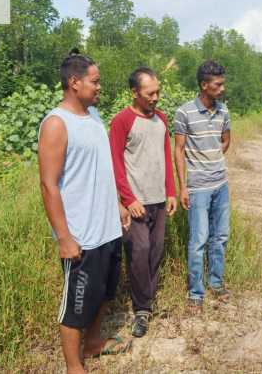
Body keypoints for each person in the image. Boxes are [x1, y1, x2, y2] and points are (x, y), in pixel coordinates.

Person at [38, 51, 132, 374]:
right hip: (81, 235)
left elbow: (101, 169)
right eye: (95, 81)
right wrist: (64, 237)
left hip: (107, 228)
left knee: (105, 293)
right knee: (76, 306)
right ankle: (73, 366)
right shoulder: (56, 124)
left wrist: (118, 205)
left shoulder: (93, 118)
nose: (99, 87)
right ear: (73, 83)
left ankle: (93, 344)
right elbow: (49, 186)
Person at [108, 67, 177, 338]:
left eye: (158, 91)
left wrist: (171, 192)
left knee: (155, 251)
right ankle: (142, 309)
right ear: (135, 92)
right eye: (150, 93)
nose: (156, 97)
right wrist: (127, 198)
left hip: (159, 199)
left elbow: (166, 157)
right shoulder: (122, 121)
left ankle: (147, 299)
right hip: (136, 201)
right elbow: (115, 163)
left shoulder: (161, 119)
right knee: (138, 253)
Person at [174, 60, 232, 312]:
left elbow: (226, 139)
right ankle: (196, 293)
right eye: (217, 85)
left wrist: (215, 157)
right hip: (198, 187)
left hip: (221, 184)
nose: (222, 88)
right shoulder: (184, 113)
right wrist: (183, 187)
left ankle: (216, 283)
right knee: (199, 240)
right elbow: (178, 150)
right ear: (204, 85)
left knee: (220, 237)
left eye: (222, 83)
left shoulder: (224, 111)